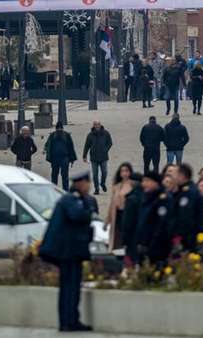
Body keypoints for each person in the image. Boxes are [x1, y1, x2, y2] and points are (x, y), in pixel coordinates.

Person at [38, 171, 97, 332]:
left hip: (72, 252)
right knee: (70, 288)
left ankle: (71, 320)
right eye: (87, 183)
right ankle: (68, 322)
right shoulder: (72, 200)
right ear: (80, 184)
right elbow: (77, 216)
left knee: (71, 288)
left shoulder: (72, 199)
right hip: (69, 253)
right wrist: (89, 210)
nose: (88, 187)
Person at [131, 172, 171, 267]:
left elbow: (161, 227)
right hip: (143, 247)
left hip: (157, 250)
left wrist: (152, 246)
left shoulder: (162, 200)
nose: (143, 184)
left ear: (156, 183)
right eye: (143, 181)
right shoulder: (146, 198)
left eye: (147, 181)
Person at [168, 163, 203, 252]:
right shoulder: (180, 190)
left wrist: (178, 237)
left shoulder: (189, 193)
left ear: (182, 176)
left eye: (175, 174)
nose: (172, 177)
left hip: (186, 240)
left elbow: (185, 218)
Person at [106, 163, 134, 253]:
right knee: (117, 240)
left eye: (126, 171)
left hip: (129, 215)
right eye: (122, 171)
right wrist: (107, 221)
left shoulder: (134, 185)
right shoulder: (116, 187)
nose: (124, 173)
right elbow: (112, 204)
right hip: (118, 215)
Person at [119, 172, 144, 267]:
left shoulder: (131, 199)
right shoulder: (146, 196)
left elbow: (127, 222)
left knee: (131, 264)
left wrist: (124, 239)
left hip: (132, 238)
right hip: (144, 238)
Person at [83, 121, 113, 195]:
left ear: (100, 125)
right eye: (95, 125)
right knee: (95, 174)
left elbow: (110, 143)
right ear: (93, 125)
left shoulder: (106, 133)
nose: (97, 126)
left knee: (104, 172)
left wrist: (106, 149)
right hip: (94, 157)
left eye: (98, 124)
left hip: (104, 156)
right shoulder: (90, 135)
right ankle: (96, 189)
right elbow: (86, 146)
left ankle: (102, 183)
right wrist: (84, 156)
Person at [44, 121, 77, 190]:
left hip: (64, 158)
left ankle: (65, 190)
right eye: (58, 128)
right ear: (56, 129)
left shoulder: (67, 135)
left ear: (62, 128)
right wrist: (46, 151)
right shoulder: (52, 135)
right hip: (54, 158)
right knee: (54, 175)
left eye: (60, 128)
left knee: (65, 175)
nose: (59, 130)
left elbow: (71, 147)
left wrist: (72, 158)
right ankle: (54, 189)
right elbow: (47, 145)